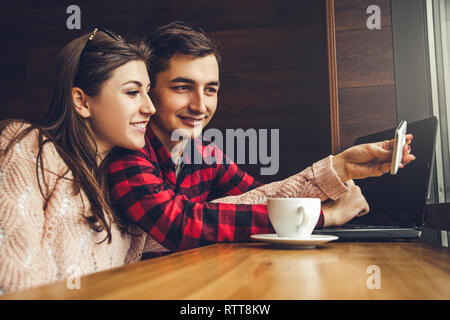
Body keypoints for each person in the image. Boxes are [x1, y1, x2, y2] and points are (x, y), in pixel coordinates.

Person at [108, 21, 415, 254]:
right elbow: (181, 224)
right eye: (182, 87)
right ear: (149, 88)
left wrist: (343, 165)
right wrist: (325, 216)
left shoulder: (201, 152)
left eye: (211, 89)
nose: (201, 106)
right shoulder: (127, 151)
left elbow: (265, 196)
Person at [0, 28, 155, 293]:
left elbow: (182, 221)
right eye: (132, 92)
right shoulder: (30, 147)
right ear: (82, 101)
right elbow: (13, 281)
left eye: (148, 91)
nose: (150, 107)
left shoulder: (121, 176)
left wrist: (253, 202)